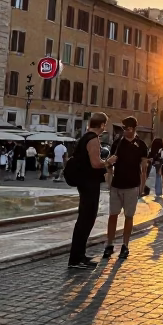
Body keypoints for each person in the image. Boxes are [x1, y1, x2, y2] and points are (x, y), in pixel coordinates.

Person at [68, 113, 111, 270]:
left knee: (85, 218)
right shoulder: (93, 139)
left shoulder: (86, 137)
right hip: (89, 183)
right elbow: (95, 163)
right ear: (101, 125)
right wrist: (108, 162)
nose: (104, 127)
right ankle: (76, 259)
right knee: (86, 219)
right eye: (104, 124)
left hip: (85, 182)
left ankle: (79, 256)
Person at [103, 116, 148, 260]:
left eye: (126, 128)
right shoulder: (117, 142)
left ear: (133, 129)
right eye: (123, 128)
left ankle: (125, 245)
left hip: (132, 186)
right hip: (116, 185)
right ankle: (109, 244)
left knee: (129, 216)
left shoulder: (141, 145)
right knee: (113, 215)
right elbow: (109, 164)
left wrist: (142, 187)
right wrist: (109, 176)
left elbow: (144, 168)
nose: (124, 131)